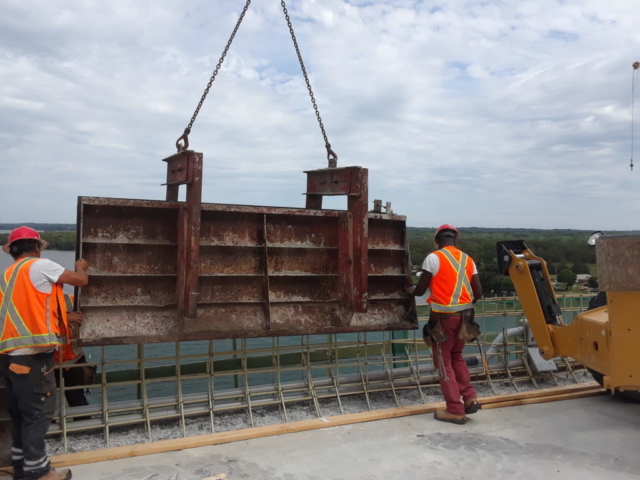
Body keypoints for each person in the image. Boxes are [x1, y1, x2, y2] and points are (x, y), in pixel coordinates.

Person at [0, 227, 89, 480]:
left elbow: (36, 309)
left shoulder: (9, 273)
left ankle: (21, 464)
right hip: (32, 357)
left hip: (9, 355)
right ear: (37, 247)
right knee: (38, 414)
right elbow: (80, 281)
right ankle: (39, 472)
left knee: (19, 414)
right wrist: (82, 266)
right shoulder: (38, 266)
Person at [406, 224, 483, 425]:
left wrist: (408, 291)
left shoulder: (434, 257)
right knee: (457, 356)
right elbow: (479, 292)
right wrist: (462, 308)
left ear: (437, 241)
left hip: (443, 319)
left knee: (443, 362)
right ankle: (470, 397)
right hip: (465, 317)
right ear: (455, 240)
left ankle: (455, 410)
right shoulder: (468, 260)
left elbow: (421, 289)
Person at [53, 294, 95, 417]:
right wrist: (66, 318)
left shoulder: (72, 299)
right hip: (50, 361)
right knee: (46, 402)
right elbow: (38, 320)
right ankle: (49, 431)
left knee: (77, 400)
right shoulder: (39, 301)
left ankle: (84, 429)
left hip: (73, 359)